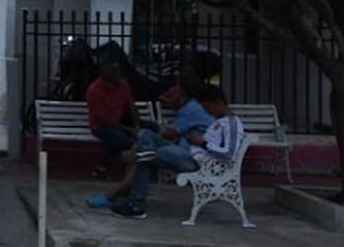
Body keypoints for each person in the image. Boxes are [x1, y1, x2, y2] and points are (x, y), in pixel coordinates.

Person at [110, 85, 245, 219]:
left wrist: (203, 143)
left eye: (208, 108)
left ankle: (136, 204)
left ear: (218, 103)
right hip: (188, 151)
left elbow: (229, 154)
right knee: (146, 135)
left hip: (195, 161)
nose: (207, 112)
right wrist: (193, 140)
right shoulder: (219, 121)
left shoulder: (232, 123)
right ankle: (144, 155)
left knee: (146, 155)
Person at [86, 70, 212, 208]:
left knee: (145, 155)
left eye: (175, 91)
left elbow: (168, 134)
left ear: (182, 93)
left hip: (192, 158)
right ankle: (126, 194)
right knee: (145, 137)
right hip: (183, 151)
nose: (171, 95)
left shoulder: (191, 110)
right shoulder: (190, 108)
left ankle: (120, 198)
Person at [86, 60, 140, 179]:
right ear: (105, 73)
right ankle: (102, 166)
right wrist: (129, 130)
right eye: (115, 70)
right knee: (120, 139)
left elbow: (131, 106)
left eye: (118, 70)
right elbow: (103, 120)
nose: (119, 73)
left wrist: (136, 125)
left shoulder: (123, 84)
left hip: (121, 121)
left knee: (151, 128)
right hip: (101, 126)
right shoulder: (94, 90)